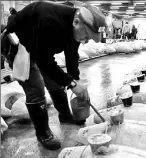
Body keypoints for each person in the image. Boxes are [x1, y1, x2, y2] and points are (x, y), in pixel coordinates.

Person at [1, 1, 106, 150]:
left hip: (38, 47)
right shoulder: (50, 21)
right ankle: (43, 133)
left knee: (56, 81)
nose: (86, 41)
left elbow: (71, 55)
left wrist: (75, 79)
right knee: (36, 87)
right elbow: (44, 62)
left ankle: (65, 115)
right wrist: (72, 84)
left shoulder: (75, 25)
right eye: (87, 36)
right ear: (76, 22)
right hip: (19, 46)